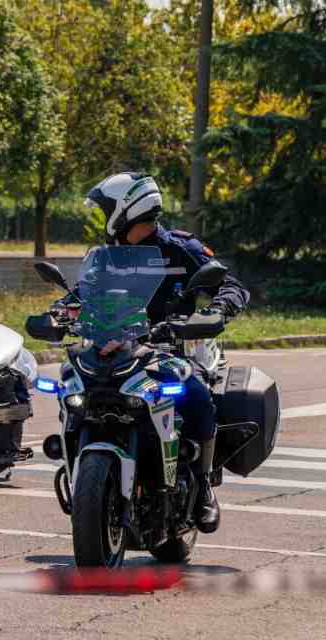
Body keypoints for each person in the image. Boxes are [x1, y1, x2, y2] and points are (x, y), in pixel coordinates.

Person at [82, 171, 250, 534]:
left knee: (196, 393)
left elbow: (231, 285)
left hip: (171, 350)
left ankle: (203, 485)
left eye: (105, 210)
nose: (101, 218)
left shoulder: (181, 248)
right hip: (120, 349)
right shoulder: (104, 258)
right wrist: (57, 313)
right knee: (76, 388)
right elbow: (81, 296)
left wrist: (215, 311)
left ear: (124, 211)